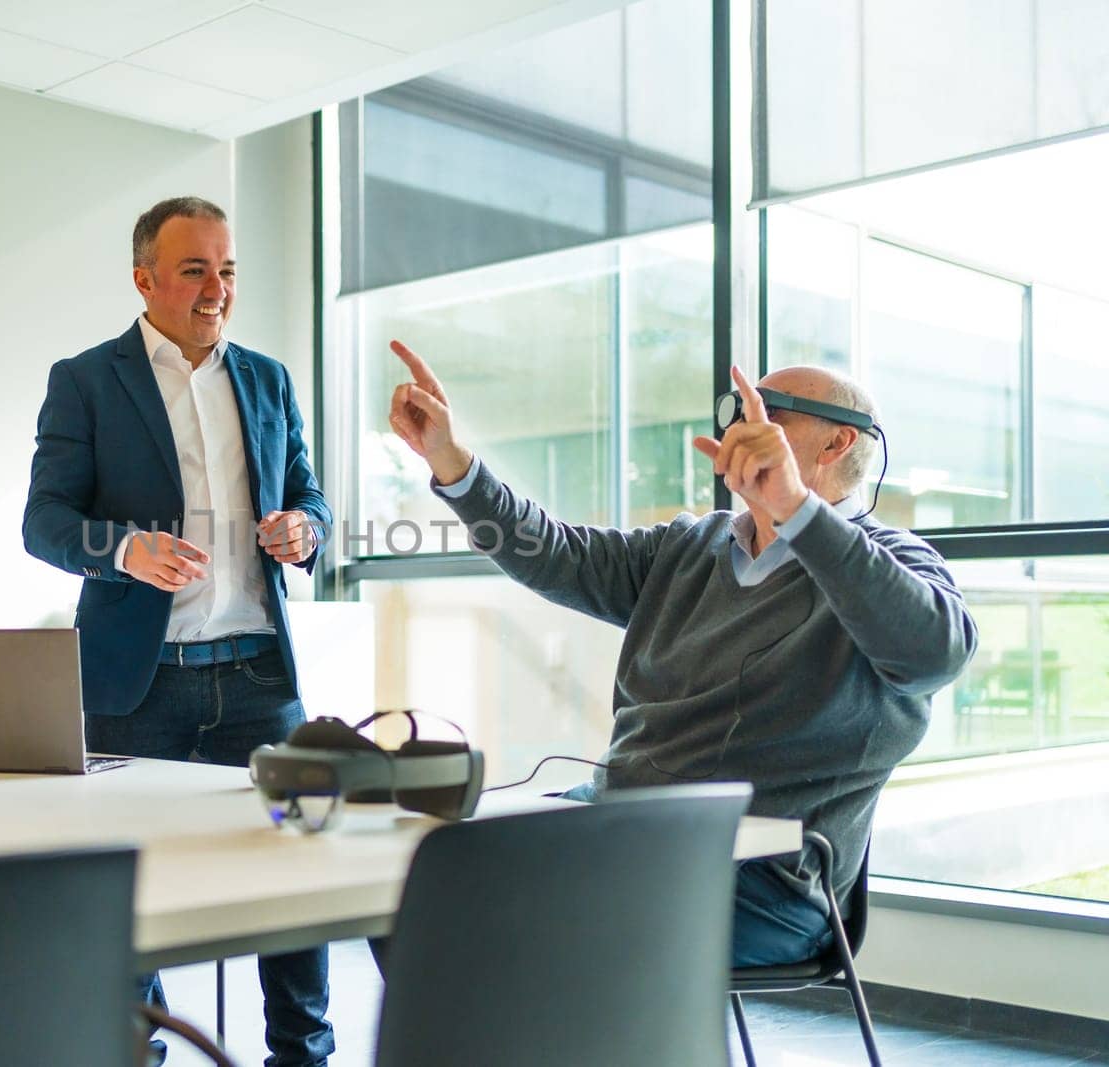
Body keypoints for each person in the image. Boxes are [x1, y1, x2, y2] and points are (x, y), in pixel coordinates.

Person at [386, 339, 978, 966]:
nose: (739, 425)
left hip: (756, 879)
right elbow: (553, 552)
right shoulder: (688, 547)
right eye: (736, 409)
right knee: (405, 881)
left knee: (522, 914)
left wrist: (798, 511)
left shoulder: (891, 562)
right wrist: (451, 463)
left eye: (767, 409)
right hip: (617, 831)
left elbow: (935, 654)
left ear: (837, 446)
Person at [23, 197, 334, 1066]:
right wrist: (123, 549)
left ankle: (302, 1057)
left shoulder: (268, 380)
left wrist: (307, 530)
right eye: (195, 269)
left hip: (258, 680)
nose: (215, 289)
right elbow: (43, 521)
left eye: (227, 268)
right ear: (145, 279)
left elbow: (312, 495)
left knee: (293, 880)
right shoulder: (86, 379)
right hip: (137, 684)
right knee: (124, 898)